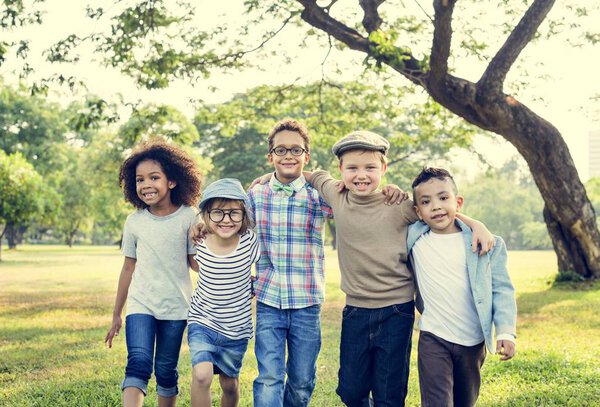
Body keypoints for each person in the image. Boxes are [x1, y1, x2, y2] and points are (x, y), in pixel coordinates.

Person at [194, 120, 401, 407]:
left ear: (307, 156)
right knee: (269, 377)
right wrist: (198, 222)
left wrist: (391, 191)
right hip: (268, 301)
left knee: (302, 380)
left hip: (307, 303)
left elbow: (361, 200)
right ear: (270, 157)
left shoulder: (321, 195)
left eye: (296, 149)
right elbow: (224, 214)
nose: (288, 155)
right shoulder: (255, 195)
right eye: (280, 150)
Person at [303, 130, 494, 407]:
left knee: (389, 394)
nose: (361, 175)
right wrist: (272, 177)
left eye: (370, 167)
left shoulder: (398, 206)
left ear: (383, 168)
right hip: (356, 310)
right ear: (340, 170)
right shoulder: (336, 195)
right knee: (350, 390)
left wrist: (476, 224)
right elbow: (312, 175)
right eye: (352, 168)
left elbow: (436, 211)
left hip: (397, 310)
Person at [407, 167, 517, 407]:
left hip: (473, 341)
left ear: (458, 201)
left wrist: (506, 331)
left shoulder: (485, 243)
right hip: (433, 337)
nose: (435, 206)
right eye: (426, 202)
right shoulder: (415, 238)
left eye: (443, 198)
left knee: (465, 402)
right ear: (418, 211)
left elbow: (502, 289)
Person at [105, 138, 202, 407]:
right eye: (139, 180)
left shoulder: (189, 216)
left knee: (166, 369)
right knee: (138, 361)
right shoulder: (135, 221)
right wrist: (116, 313)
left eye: (154, 177)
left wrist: (221, 261)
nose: (146, 185)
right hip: (141, 304)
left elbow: (195, 262)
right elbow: (127, 268)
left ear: (172, 181)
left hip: (176, 306)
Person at [187, 178, 260, 407]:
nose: (226, 220)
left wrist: (252, 283)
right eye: (217, 212)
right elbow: (193, 264)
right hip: (202, 322)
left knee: (229, 384)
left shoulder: (250, 242)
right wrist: (196, 227)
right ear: (206, 215)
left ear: (244, 215)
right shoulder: (198, 241)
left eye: (233, 213)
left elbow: (264, 273)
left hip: (236, 330)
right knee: (202, 375)